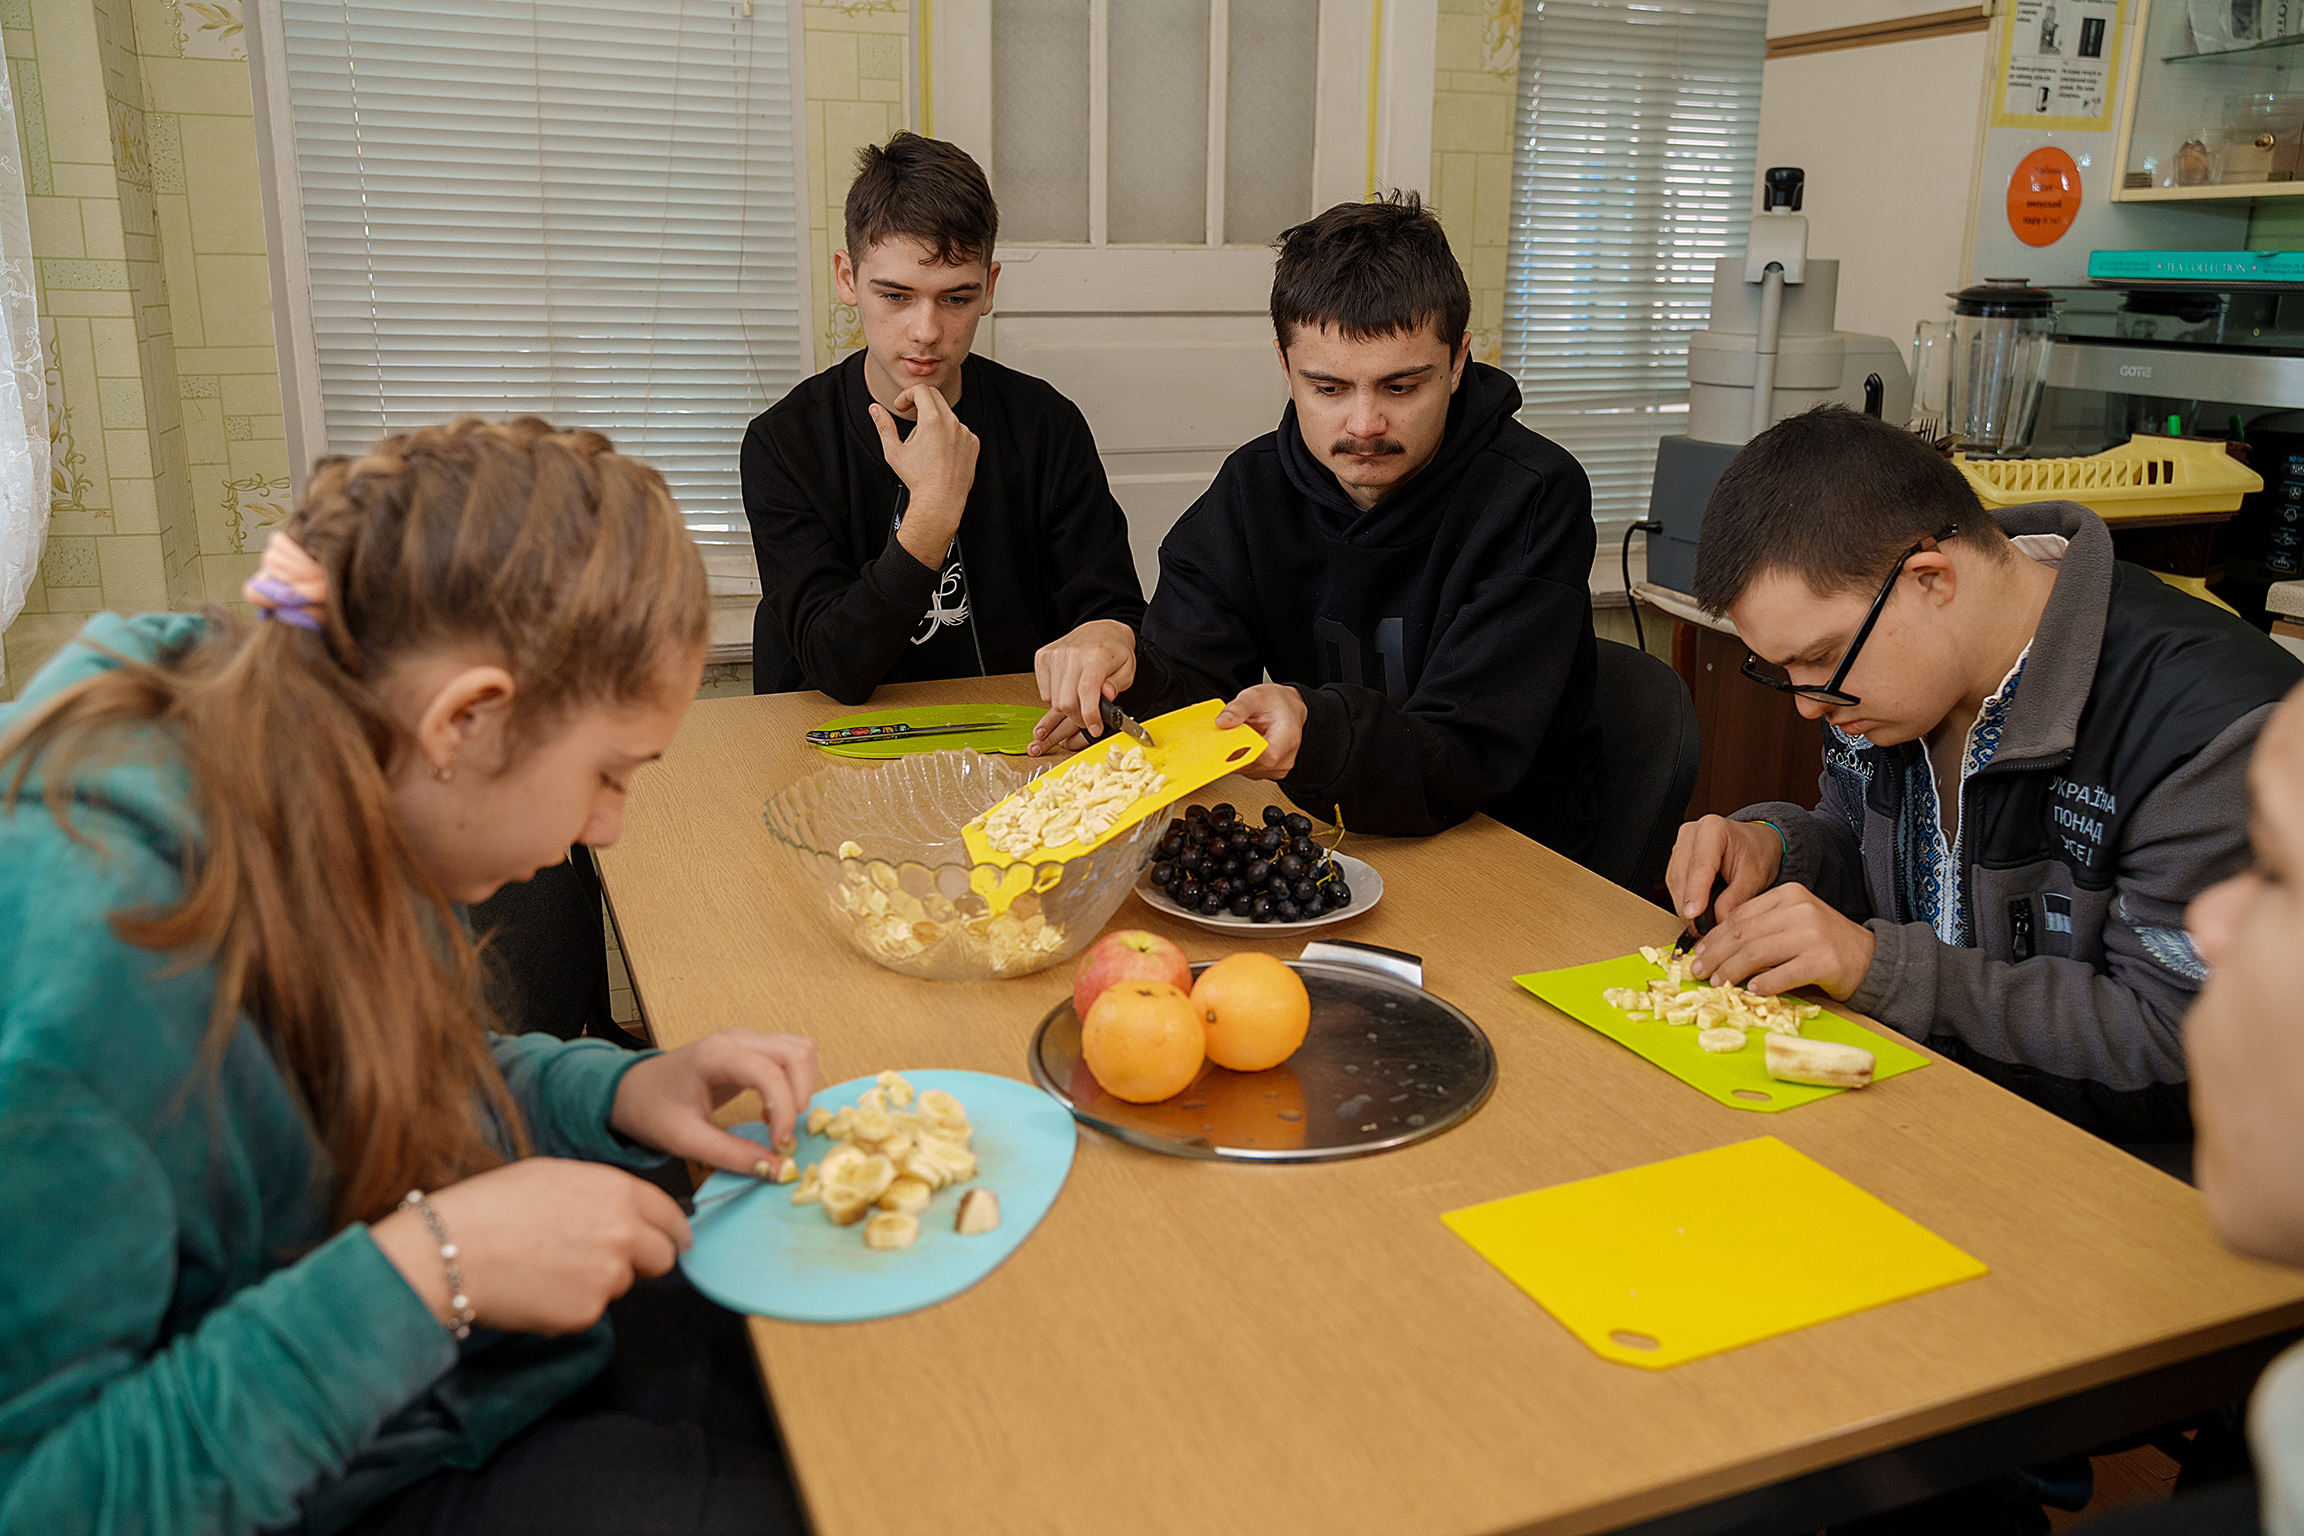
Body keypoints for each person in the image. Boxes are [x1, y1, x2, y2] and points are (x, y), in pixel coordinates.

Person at [0, 419, 817, 1535]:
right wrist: (432, 1268)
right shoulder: (84, 992)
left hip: (409, 1374)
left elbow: (366, 1081)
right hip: (287, 1465)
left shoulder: (317, 755)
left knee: (823, 1365)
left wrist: (615, 1093)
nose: (610, 829)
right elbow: (49, 1501)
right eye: (608, 776)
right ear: (466, 721)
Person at [1667, 405, 2301, 1143]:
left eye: (1820, 659)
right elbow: (1865, 853)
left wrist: (1880, 968)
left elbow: (2176, 1047)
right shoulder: (1887, 686)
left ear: (1931, 578)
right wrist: (1780, 850)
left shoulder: (2211, 735)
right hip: (1921, 1115)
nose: (1808, 706)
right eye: (1785, 671)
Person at [1037, 192, 1602, 858]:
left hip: (1507, 847)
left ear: (1457, 364)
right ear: (1285, 367)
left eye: (1401, 387)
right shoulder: (1253, 488)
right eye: (1329, 389)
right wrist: (1127, 668)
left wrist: (1313, 726)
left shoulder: (1534, 497)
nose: (1364, 425)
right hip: (1342, 833)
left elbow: (1465, 755)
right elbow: (1194, 699)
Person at [743, 131, 1145, 723]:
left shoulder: (1046, 425)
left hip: (1020, 739)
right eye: (897, 296)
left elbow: (1111, 605)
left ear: (989, 289)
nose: (926, 330)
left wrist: (1111, 636)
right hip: (837, 742)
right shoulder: (786, 443)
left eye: (955, 299)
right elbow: (836, 666)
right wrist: (931, 514)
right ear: (848, 279)